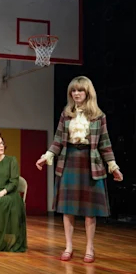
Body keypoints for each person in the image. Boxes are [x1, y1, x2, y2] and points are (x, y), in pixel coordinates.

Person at [36, 76, 123, 263]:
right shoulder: (66, 114)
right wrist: (47, 156)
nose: (76, 94)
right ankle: (68, 247)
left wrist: (113, 166)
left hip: (91, 163)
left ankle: (89, 248)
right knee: (68, 209)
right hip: (69, 162)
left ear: (87, 93)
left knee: (90, 210)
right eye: (73, 91)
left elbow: (105, 144)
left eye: (80, 90)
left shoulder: (99, 117)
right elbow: (58, 140)